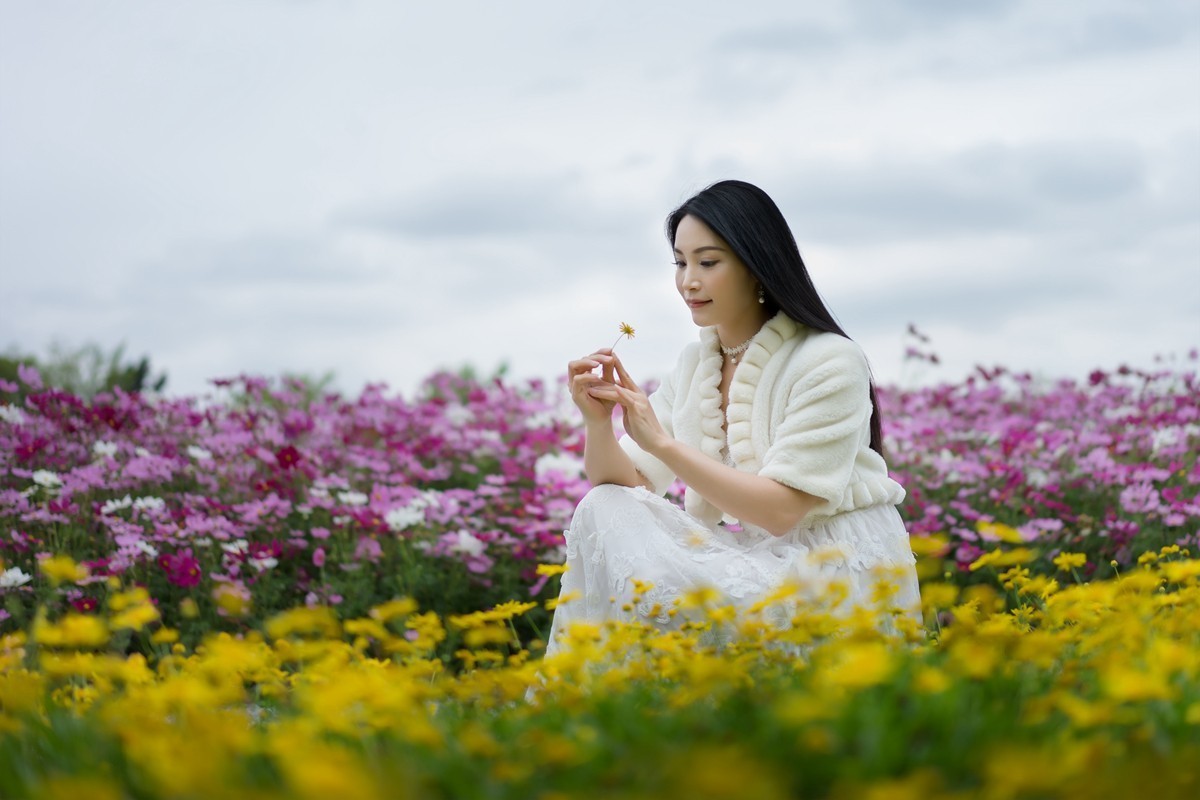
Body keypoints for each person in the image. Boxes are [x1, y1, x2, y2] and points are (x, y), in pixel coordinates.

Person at [545, 180, 920, 654]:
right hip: (762, 557)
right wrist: (598, 422)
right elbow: (625, 481)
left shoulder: (830, 359)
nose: (688, 281)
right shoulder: (696, 362)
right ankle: (606, 708)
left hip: (835, 564)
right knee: (602, 506)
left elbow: (781, 511)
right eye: (680, 263)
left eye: (708, 262)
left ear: (756, 264)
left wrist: (663, 443)